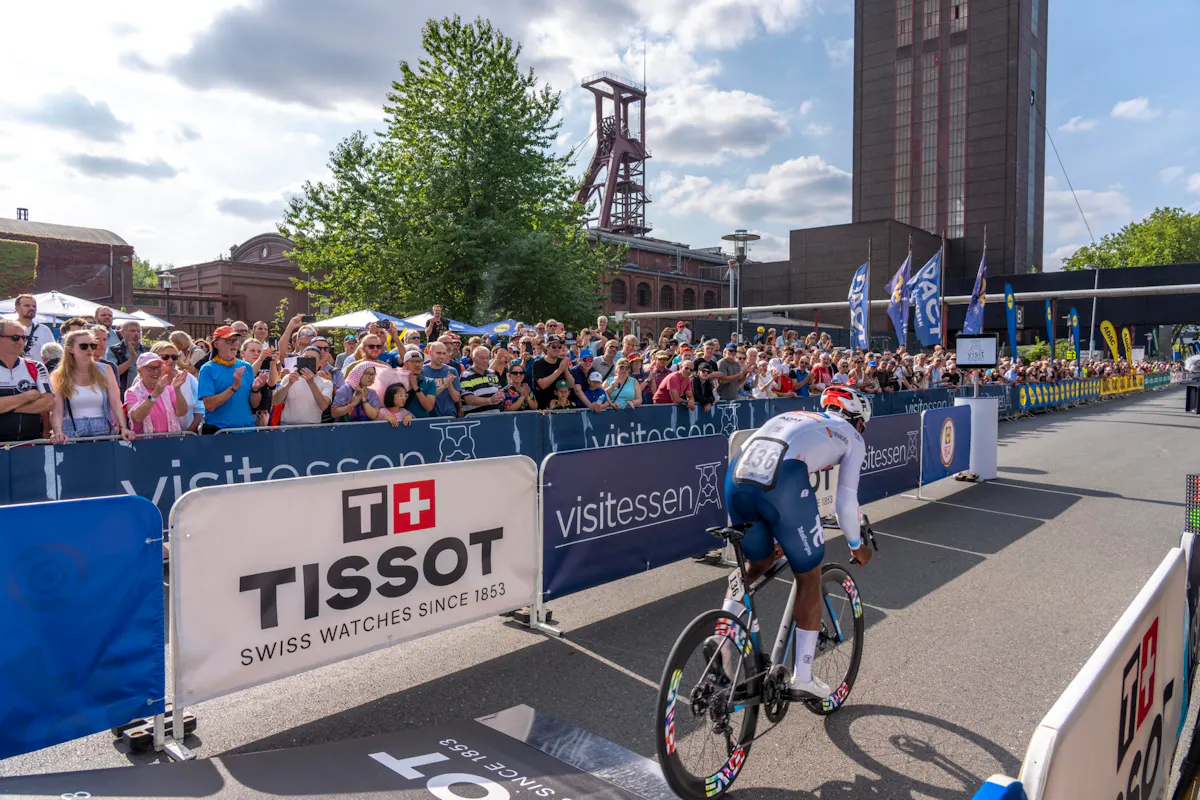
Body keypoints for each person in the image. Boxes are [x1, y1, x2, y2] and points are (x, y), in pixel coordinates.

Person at [719, 386, 874, 700]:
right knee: (809, 573)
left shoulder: (793, 415)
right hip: (782, 482)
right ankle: (803, 675)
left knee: (756, 564)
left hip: (737, 476)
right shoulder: (852, 436)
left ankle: (719, 642)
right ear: (857, 420)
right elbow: (846, 502)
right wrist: (857, 546)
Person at [48, 329, 132, 443]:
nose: (89, 349)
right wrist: (57, 431)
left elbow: (116, 402)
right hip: (71, 430)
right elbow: (57, 409)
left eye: (92, 345)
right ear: (70, 349)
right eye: (83, 346)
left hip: (103, 429)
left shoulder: (105, 369)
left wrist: (124, 427)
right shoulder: (59, 375)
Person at [197, 326, 269, 433]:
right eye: (229, 340)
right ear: (216, 344)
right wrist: (233, 388)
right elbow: (210, 406)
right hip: (220, 432)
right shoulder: (207, 369)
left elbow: (254, 404)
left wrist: (255, 389)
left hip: (247, 430)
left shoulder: (247, 367)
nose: (234, 343)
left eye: (236, 340)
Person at [0, 318, 54, 442]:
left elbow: (48, 403)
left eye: (23, 338)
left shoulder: (36, 366)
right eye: (14, 337)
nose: (20, 341)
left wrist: (7, 408)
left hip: (30, 444)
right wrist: (26, 397)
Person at [124, 353, 189, 435]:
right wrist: (155, 394)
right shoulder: (131, 392)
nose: (156, 371)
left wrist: (177, 389)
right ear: (139, 370)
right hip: (145, 444)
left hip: (171, 442)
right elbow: (137, 417)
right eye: (150, 368)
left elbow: (182, 412)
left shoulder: (169, 389)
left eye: (158, 367)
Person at [273, 346, 333, 425]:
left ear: (319, 363)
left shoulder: (326, 383)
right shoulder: (289, 378)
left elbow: (323, 406)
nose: (308, 361)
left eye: (312, 359)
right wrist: (288, 384)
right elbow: (275, 401)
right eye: (305, 358)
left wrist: (311, 383)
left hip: (311, 429)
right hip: (287, 427)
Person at [152, 340, 204, 432]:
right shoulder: (145, 379)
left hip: (186, 435)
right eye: (165, 357)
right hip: (155, 437)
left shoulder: (188, 378)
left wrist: (192, 428)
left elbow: (200, 407)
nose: (171, 360)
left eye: (174, 357)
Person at [532, 335, 574, 409]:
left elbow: (571, 385)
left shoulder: (561, 362)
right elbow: (542, 385)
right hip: (544, 407)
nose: (557, 349)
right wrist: (559, 370)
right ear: (547, 347)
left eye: (559, 347)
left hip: (562, 406)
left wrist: (565, 370)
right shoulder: (538, 363)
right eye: (554, 346)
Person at [107, 320, 149, 393]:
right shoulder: (114, 350)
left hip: (144, 393)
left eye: (139, 331)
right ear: (122, 332)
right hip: (122, 393)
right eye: (132, 331)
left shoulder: (147, 350)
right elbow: (113, 373)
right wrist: (132, 359)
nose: (136, 334)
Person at [460, 346, 505, 414]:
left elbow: (498, 391)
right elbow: (468, 399)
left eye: (487, 358)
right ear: (473, 359)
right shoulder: (466, 375)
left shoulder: (492, 373)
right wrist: (489, 400)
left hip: (495, 417)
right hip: (476, 420)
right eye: (482, 358)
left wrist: (500, 396)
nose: (485, 361)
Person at [422, 341, 462, 417]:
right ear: (430, 353)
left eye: (444, 353)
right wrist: (443, 386)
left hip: (449, 415)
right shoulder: (422, 371)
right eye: (438, 353)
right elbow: (423, 399)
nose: (442, 356)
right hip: (429, 416)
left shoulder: (452, 370)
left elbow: (456, 399)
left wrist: (449, 384)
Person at [11, 294, 55, 360]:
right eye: (27, 306)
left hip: (37, 369)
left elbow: (54, 355)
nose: (32, 308)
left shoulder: (44, 330)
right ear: (17, 308)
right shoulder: (7, 329)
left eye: (34, 306)